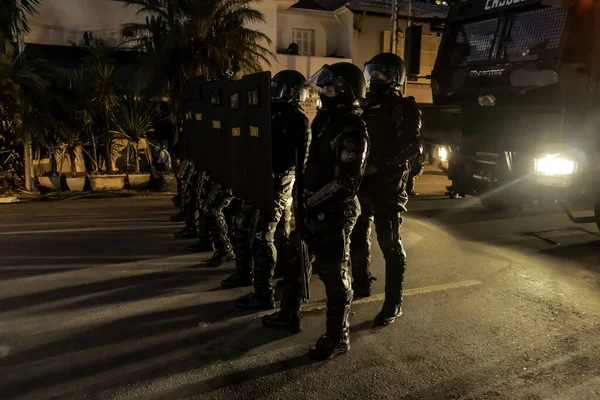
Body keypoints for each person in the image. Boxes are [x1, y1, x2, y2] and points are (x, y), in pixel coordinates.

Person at [262, 62, 369, 360]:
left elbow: (347, 181)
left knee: (334, 275)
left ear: (346, 90)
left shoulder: (352, 126)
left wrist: (311, 201)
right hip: (311, 205)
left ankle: (338, 337)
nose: (325, 91)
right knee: (295, 261)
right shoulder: (325, 120)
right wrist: (303, 197)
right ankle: (289, 314)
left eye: (332, 86)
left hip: (335, 210)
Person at [350, 53, 422, 326]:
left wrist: (378, 166)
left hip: (388, 186)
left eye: (382, 73)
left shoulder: (403, 107)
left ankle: (393, 303)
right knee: (357, 237)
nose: (375, 77)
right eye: (372, 72)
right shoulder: (364, 105)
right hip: (361, 184)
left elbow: (411, 146)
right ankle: (361, 283)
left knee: (390, 245)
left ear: (396, 77)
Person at [228, 70, 309, 307]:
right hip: (257, 180)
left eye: (279, 89)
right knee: (244, 227)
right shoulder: (266, 114)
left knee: (263, 235)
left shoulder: (297, 120)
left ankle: (264, 293)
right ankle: (246, 274)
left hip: (278, 182)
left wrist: (296, 194)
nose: (274, 93)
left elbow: (299, 162)